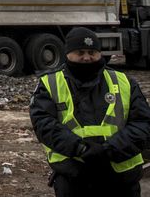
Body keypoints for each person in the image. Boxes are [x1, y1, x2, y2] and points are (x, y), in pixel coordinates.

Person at [30, 27, 150, 196]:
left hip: (120, 175)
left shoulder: (124, 82)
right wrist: (81, 149)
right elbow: (44, 125)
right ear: (68, 54)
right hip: (74, 176)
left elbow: (142, 124)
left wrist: (109, 150)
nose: (86, 57)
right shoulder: (49, 83)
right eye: (80, 52)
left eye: (92, 52)